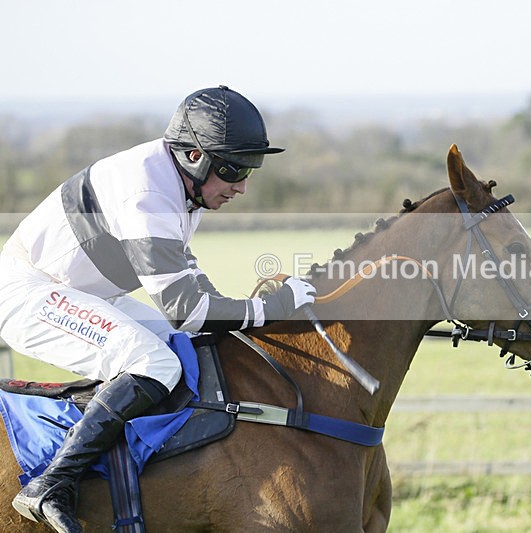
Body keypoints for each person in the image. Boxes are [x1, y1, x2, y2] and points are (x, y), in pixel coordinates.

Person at [0, 85, 316, 532]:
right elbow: (186, 307)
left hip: (83, 294)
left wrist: (254, 311)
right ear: (193, 157)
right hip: (29, 295)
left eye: (250, 169)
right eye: (234, 169)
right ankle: (52, 483)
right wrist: (270, 308)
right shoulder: (145, 191)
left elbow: (191, 289)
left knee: (184, 348)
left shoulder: (184, 188)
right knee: (155, 362)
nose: (242, 186)